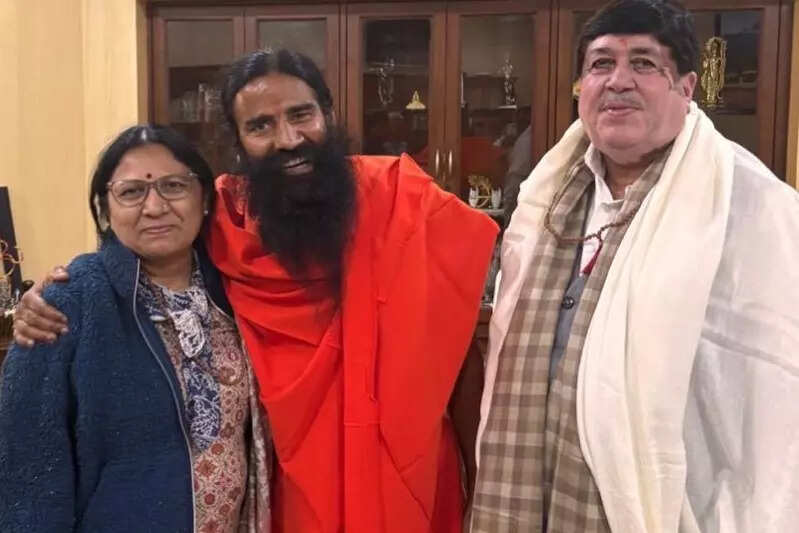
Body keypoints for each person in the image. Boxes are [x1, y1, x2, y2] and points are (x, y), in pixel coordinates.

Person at [13, 49, 498, 533]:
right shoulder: (228, 227)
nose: (288, 139)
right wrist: (56, 291)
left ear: (327, 114)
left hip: (404, 477)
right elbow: (146, 239)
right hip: (289, 494)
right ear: (240, 143)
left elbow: (458, 349)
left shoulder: (401, 201)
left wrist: (481, 482)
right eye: (261, 126)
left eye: (301, 115)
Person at [471, 1, 799, 532]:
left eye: (645, 64)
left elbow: (769, 390)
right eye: (601, 64)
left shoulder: (751, 207)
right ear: (582, 85)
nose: (618, 81)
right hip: (535, 482)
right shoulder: (545, 197)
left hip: (671, 498)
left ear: (687, 87)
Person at [0, 125, 271, 532]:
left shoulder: (238, 289)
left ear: (205, 201)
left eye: (174, 186)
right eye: (131, 192)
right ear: (105, 210)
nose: (155, 206)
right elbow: (29, 466)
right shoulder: (71, 301)